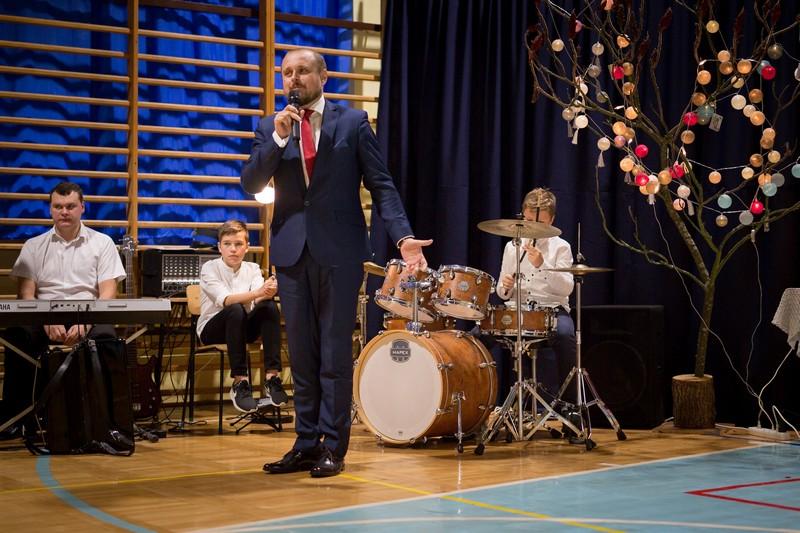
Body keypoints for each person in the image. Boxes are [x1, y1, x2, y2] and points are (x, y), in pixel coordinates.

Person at [241, 48, 431, 477]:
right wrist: (277, 140)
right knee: (302, 355)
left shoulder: (353, 122)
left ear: (323, 76)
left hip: (340, 254)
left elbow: (381, 185)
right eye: (287, 72)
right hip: (291, 254)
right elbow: (251, 182)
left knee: (333, 353)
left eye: (302, 71)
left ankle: (333, 445)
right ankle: (305, 443)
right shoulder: (270, 127)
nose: (293, 79)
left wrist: (403, 238)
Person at [0, 181, 125, 434]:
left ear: (82, 207)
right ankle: (18, 419)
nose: (64, 212)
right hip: (44, 315)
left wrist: (86, 322)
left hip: (89, 314)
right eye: (58, 207)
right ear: (50, 209)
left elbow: (108, 292)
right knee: (17, 336)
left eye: (70, 206)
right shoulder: (33, 246)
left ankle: (109, 422)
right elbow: (26, 295)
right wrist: (44, 319)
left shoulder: (103, 243)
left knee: (107, 338)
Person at [494, 188, 577, 402]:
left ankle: (569, 405)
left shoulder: (561, 247)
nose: (534, 228)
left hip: (552, 309)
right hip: (519, 308)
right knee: (478, 335)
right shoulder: (512, 247)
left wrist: (542, 264)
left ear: (552, 220)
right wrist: (505, 287)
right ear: (523, 216)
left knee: (565, 335)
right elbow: (502, 293)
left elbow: (567, 289)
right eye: (529, 221)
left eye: (541, 223)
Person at [197, 220, 287, 413]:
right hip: (212, 330)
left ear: (247, 247)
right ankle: (240, 381)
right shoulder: (209, 268)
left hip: (241, 328)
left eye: (238, 244)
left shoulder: (252, 268)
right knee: (235, 309)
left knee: (269, 306)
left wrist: (269, 290)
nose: (233, 249)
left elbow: (258, 299)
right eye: (227, 244)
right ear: (219, 247)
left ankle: (272, 377)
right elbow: (227, 300)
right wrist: (259, 292)